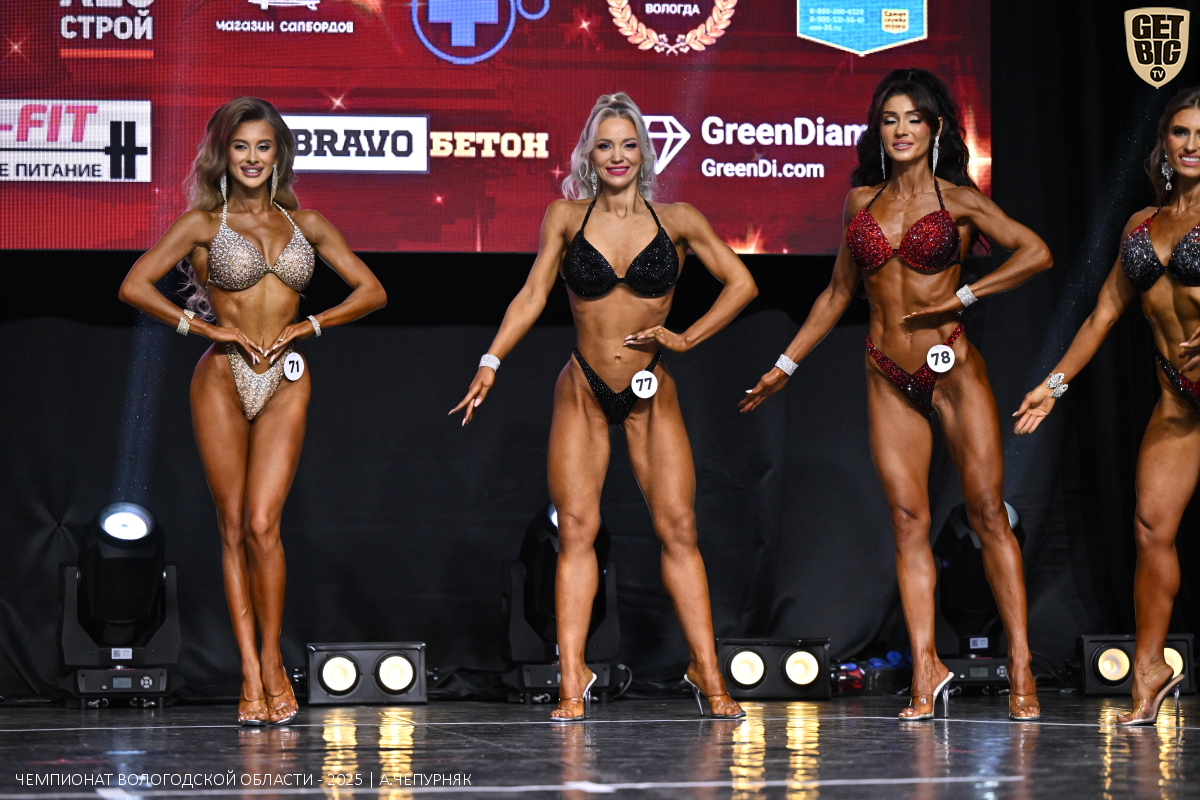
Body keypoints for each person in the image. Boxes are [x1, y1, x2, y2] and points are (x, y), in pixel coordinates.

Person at [740, 69, 1052, 720]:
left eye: (913, 119)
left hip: (952, 366)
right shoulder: (860, 202)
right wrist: (785, 365)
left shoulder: (960, 201)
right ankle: (926, 668)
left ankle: (1021, 663)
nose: (901, 130)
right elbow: (837, 293)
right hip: (886, 371)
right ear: (877, 131)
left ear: (935, 129)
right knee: (908, 522)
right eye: (890, 119)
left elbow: (1036, 253)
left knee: (988, 514)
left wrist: (965, 294)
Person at [451, 93, 758, 721]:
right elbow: (532, 295)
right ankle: (572, 677)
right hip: (584, 390)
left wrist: (686, 338)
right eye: (604, 145)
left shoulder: (677, 219)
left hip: (652, 389)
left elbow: (742, 283)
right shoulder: (565, 216)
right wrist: (491, 361)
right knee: (576, 531)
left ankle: (707, 670)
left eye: (627, 144)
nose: (617, 155)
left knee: (679, 529)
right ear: (588, 155)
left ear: (644, 151)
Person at [118, 97, 386, 725]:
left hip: (286, 379)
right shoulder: (202, 225)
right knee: (233, 526)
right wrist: (203, 329)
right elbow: (133, 285)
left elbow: (373, 290)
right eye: (240, 146)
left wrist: (310, 325)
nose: (252, 158)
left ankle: (272, 661)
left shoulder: (307, 224)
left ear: (279, 154)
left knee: (266, 524)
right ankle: (247, 672)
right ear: (224, 153)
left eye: (263, 146)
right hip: (221, 377)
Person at [1013, 87, 1200, 726]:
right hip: (1179, 402)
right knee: (1151, 529)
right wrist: (1054, 385)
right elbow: (1105, 312)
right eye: (1180, 132)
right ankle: (1149, 670)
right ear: (1164, 143)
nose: (1192, 145)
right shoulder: (1141, 225)